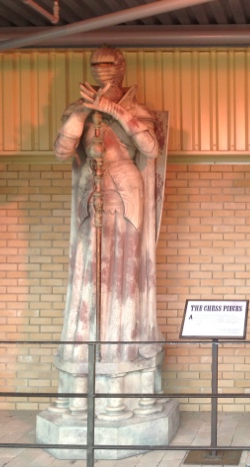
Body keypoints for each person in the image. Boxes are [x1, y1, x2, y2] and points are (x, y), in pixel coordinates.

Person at [52, 46, 166, 412]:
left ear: (121, 67)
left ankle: (121, 350)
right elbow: (62, 150)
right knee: (88, 275)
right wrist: (84, 111)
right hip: (91, 192)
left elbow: (150, 147)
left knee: (122, 278)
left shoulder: (136, 110)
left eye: (108, 64)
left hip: (125, 191)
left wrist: (112, 109)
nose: (101, 70)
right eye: (96, 65)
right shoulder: (79, 108)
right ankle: (84, 357)